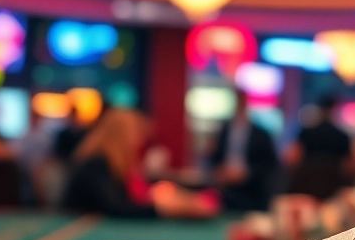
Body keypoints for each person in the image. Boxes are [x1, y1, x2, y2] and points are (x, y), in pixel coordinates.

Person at [63, 109, 215, 219]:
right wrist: (161, 209)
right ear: (120, 136)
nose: (138, 141)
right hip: (73, 229)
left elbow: (129, 198)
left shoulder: (118, 165)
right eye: (135, 134)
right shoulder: (97, 163)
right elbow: (114, 207)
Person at [208, 90, 279, 211]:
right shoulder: (224, 130)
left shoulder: (261, 134)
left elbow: (270, 163)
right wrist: (219, 170)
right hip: (225, 191)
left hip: (252, 193)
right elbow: (214, 157)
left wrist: (247, 173)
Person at [284, 95, 352, 200]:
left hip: (305, 187)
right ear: (335, 110)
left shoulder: (306, 132)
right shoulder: (342, 136)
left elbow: (292, 159)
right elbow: (349, 166)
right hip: (334, 190)